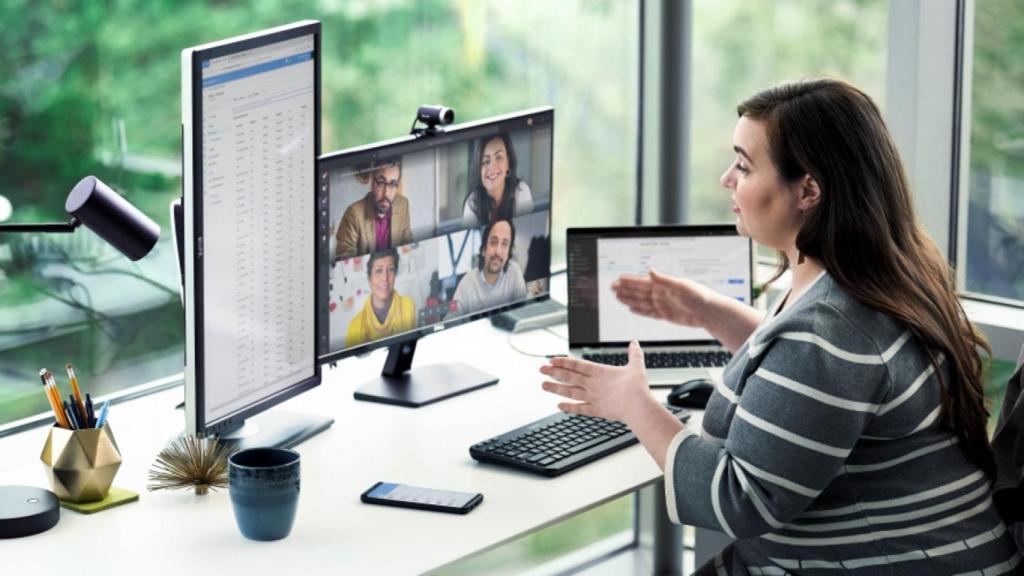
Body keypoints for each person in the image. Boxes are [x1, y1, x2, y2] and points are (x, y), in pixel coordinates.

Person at [540, 79, 1019, 574]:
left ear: (808, 190)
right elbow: (818, 383)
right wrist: (711, 311)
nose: (727, 179)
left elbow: (740, 500)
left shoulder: (830, 331)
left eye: (745, 166)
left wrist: (633, 405)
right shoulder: (879, 278)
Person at [336, 159, 413, 259]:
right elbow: (344, 260)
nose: (386, 193)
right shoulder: (353, 214)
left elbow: (408, 243)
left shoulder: (403, 204)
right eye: (381, 183)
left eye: (393, 185)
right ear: (372, 182)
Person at [452, 219, 527, 315]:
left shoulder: (514, 272)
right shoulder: (466, 283)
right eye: (493, 242)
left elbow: (523, 309)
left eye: (504, 244)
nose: (498, 252)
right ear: (483, 249)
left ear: (508, 253)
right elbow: (451, 317)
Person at [345, 248, 416, 347]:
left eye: (390, 269)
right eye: (379, 271)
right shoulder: (355, 326)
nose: (385, 278)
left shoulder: (408, 305)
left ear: (395, 275)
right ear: (369, 279)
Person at [462, 134, 533, 227]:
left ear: (509, 163)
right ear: (479, 170)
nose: (492, 167)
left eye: (498, 157)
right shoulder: (472, 202)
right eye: (486, 161)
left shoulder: (522, 192)